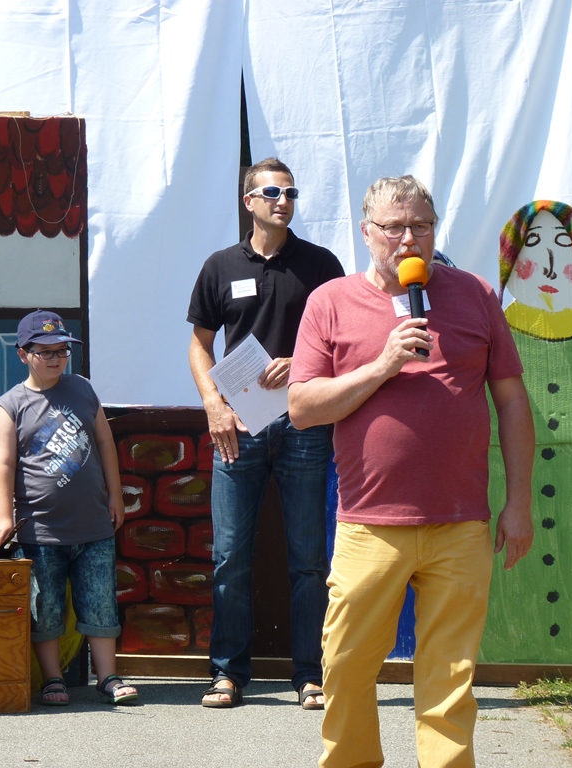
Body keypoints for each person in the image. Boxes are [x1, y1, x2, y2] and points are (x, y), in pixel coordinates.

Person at [288, 176, 535, 767]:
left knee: (450, 678)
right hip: (369, 525)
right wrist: (382, 365)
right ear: (366, 232)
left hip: (460, 523)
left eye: (421, 226)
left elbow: (512, 402)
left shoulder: (474, 294)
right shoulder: (330, 302)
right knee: (345, 664)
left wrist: (519, 502)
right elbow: (301, 408)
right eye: (393, 227)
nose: (408, 239)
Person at [186, 157, 345, 709]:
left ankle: (311, 675)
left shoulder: (321, 265)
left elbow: (345, 342)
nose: (284, 201)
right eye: (273, 192)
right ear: (249, 201)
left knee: (309, 560)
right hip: (238, 425)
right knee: (230, 557)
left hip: (305, 423)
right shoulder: (220, 266)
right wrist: (213, 405)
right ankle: (227, 675)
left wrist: (301, 362)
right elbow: (200, 344)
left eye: (291, 192)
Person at [0, 309, 138, 707]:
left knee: (100, 603)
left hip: (94, 526)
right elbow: (4, 466)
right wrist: (4, 518)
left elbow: (104, 442)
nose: (56, 359)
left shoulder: (82, 389)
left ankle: (108, 677)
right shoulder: (9, 407)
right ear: (23, 354)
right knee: (46, 608)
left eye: (62, 351)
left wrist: (116, 495)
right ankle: (53, 679)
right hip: (40, 531)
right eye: (46, 352)